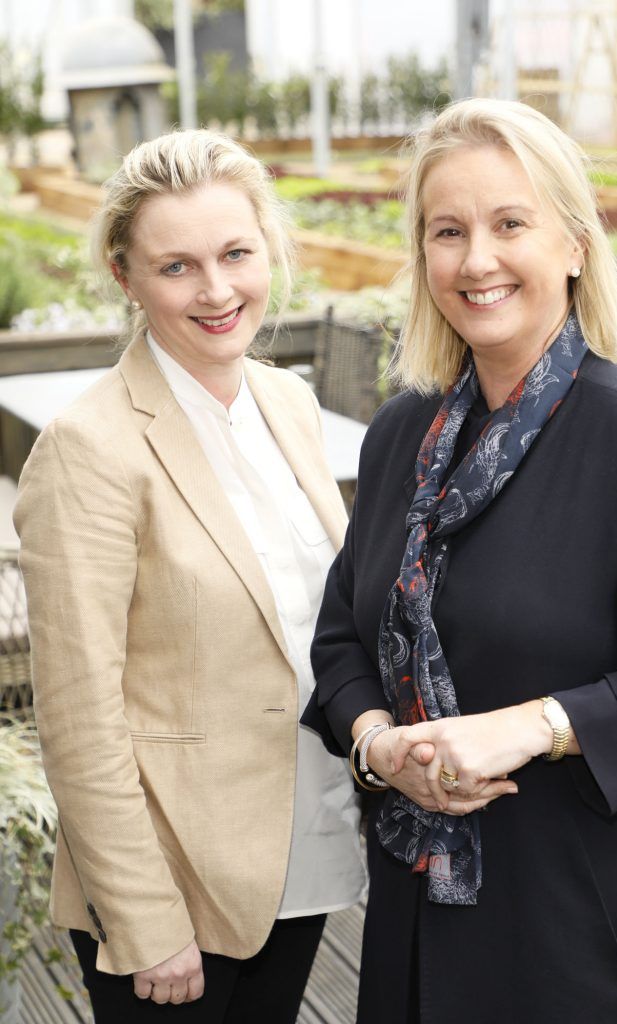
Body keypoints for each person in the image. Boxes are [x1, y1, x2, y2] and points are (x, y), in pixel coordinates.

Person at [302, 98, 617, 1023]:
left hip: (590, 940)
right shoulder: (398, 438)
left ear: (575, 246)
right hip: (421, 927)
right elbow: (342, 632)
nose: (476, 260)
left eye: (510, 224)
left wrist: (535, 726)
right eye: (447, 231)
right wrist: (381, 745)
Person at [14, 129, 365, 1023]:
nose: (216, 291)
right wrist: (144, 918)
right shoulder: (88, 449)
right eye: (177, 267)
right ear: (125, 276)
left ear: (268, 250)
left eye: (236, 254)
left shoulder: (284, 400)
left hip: (301, 852)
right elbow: (77, 717)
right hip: (176, 892)